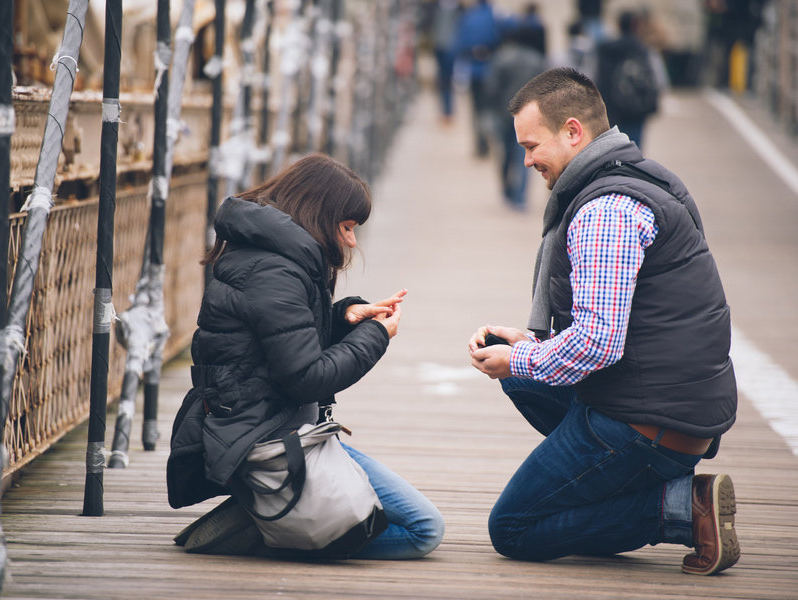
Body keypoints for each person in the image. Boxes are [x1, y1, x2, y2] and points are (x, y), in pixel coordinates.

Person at [468, 68, 739, 575]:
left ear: (573, 132)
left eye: (531, 146)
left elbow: (597, 343)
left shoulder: (606, 210)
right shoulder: (639, 175)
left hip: (653, 422)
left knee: (514, 527)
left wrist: (521, 356)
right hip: (668, 401)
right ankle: (610, 482)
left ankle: (680, 507)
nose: (526, 161)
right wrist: (526, 344)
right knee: (520, 378)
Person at [168, 153, 444, 560]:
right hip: (269, 437)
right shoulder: (275, 272)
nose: (351, 241)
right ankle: (271, 526)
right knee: (424, 529)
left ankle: (271, 513)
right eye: (347, 227)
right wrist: (376, 335)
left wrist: (346, 317)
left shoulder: (271, 259)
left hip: (270, 423)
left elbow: (275, 346)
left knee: (411, 524)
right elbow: (307, 378)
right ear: (318, 214)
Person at [485, 25, 546, 210]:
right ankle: (520, 196)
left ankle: (507, 189)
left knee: (504, 154)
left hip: (504, 114)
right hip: (529, 117)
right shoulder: (538, 61)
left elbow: (490, 87)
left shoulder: (501, 58)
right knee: (525, 156)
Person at [594, 11, 664, 148]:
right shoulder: (645, 50)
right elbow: (659, 80)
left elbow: (593, 76)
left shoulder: (605, 49)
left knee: (612, 148)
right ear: (636, 26)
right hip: (637, 110)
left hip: (611, 110)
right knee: (634, 147)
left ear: (618, 25)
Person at [452, 0, 500, 157]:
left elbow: (460, 44)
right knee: (491, 108)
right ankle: (489, 137)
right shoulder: (495, 16)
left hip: (474, 70)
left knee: (476, 109)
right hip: (492, 69)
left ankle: (480, 142)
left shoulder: (468, 17)